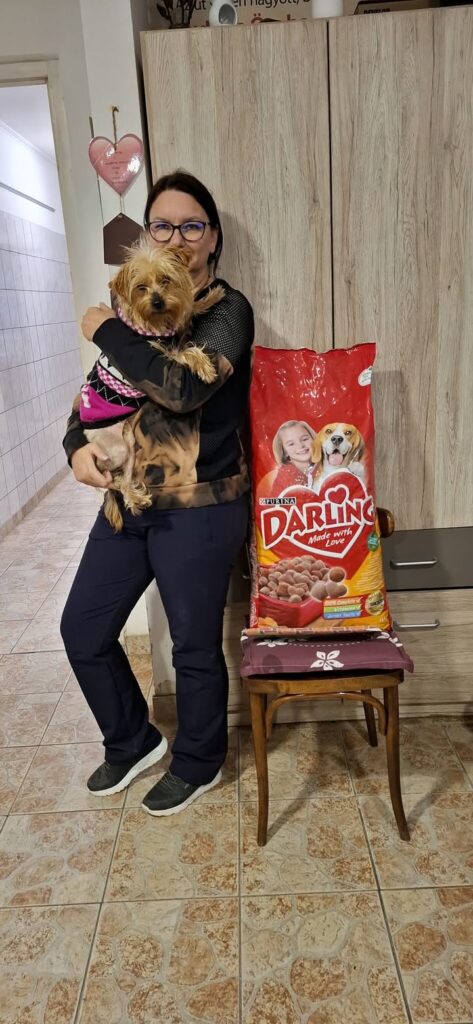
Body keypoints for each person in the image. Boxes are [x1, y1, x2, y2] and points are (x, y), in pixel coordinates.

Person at [60, 171, 254, 816]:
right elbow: (93, 397)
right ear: (148, 235)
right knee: (83, 629)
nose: (176, 237)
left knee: (193, 646)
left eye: (191, 225)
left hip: (201, 505)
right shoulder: (132, 314)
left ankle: (198, 762)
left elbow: (182, 389)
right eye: (162, 225)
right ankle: (133, 740)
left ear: (213, 238)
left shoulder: (226, 312)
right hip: (129, 502)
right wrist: (76, 448)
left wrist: (105, 329)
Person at [270, 420, 318, 493]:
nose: (300, 445)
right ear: (284, 451)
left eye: (304, 439)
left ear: (314, 439)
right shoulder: (283, 479)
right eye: (291, 444)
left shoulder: (326, 465)